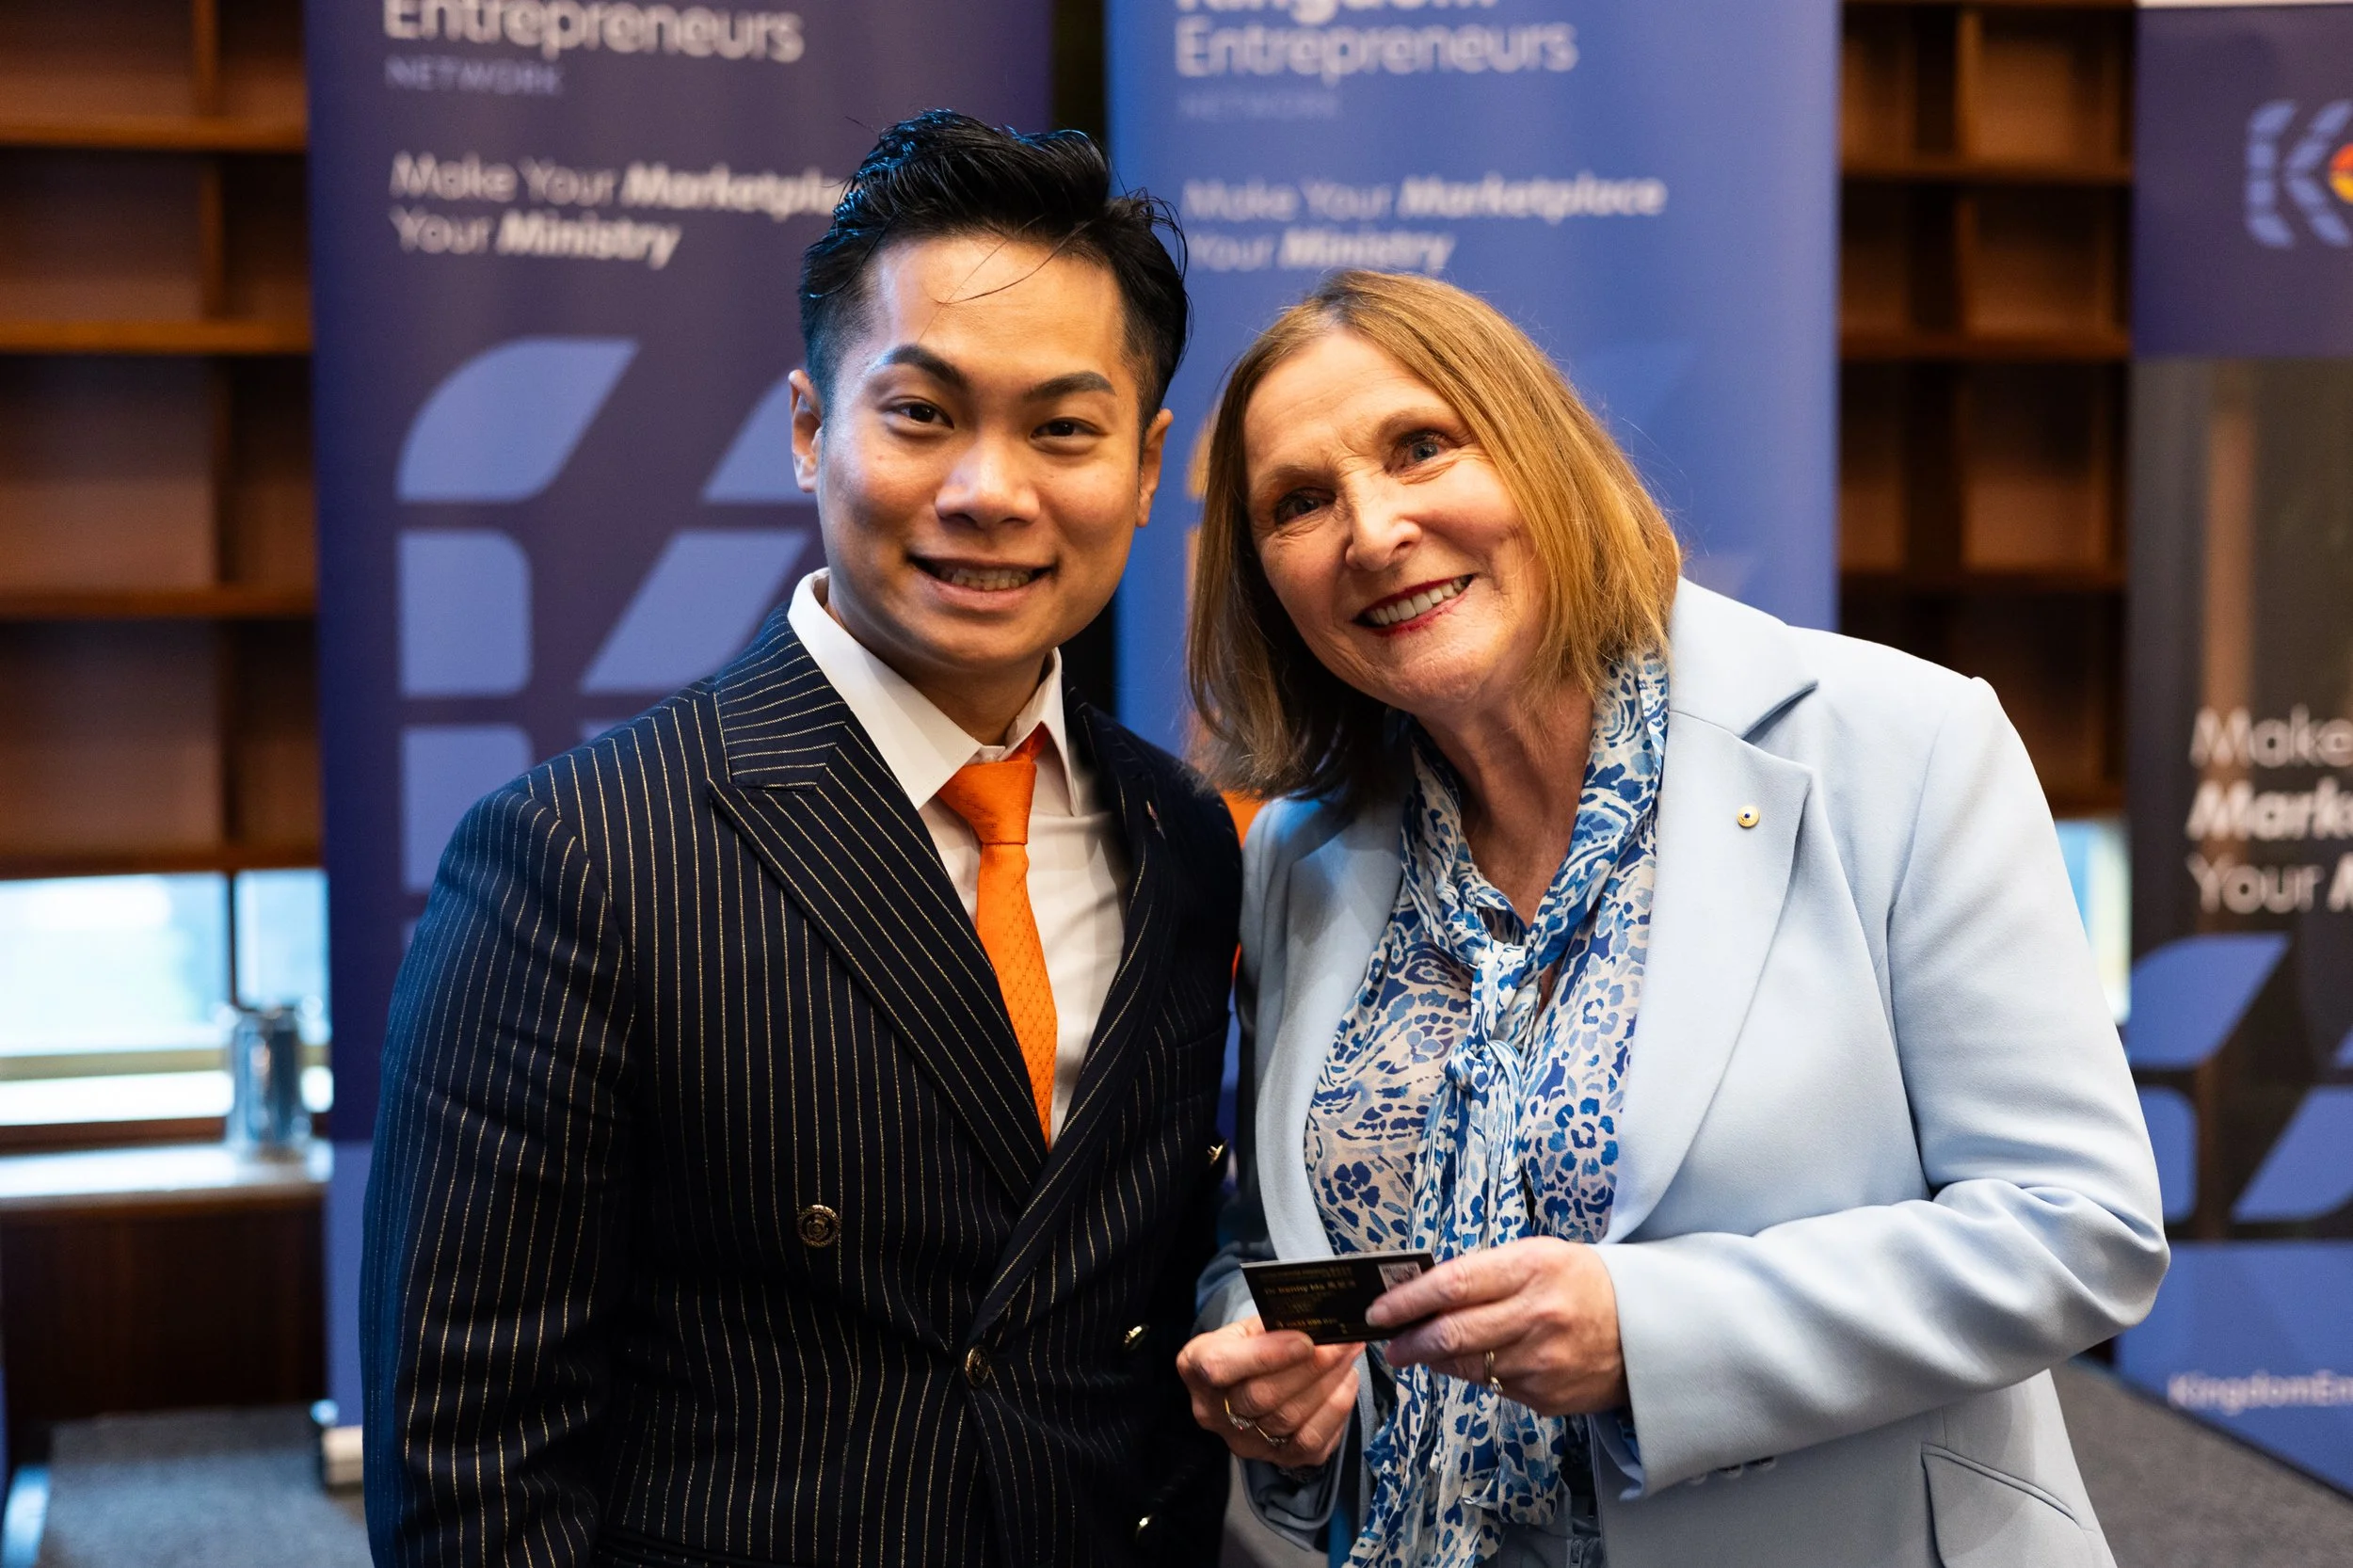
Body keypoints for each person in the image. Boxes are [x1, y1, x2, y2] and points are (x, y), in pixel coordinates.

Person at [1173, 270, 2169, 1568]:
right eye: (1298, 503)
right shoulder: (1300, 853)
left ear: (1542, 457)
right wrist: (1260, 1357)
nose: (1373, 529)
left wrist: (1652, 1336)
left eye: (1422, 446)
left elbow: (2078, 1225)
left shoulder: (1901, 744)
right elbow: (1272, 1243)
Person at [363, 112, 1239, 1568]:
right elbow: (469, 1462)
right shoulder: (577, 856)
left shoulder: (1183, 836)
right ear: (808, 426)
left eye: (1063, 429)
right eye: (922, 413)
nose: (990, 490)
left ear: (1148, 468)